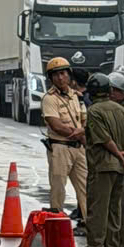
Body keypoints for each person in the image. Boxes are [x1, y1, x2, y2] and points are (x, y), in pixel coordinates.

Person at [82, 72, 124, 247]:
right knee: (115, 209)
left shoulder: (94, 111)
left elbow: (104, 139)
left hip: (103, 166)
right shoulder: (122, 110)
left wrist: (116, 154)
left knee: (98, 209)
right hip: (121, 168)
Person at [40, 58, 89, 228]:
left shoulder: (77, 97)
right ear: (51, 78)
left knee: (85, 189)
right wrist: (79, 134)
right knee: (58, 189)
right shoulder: (49, 99)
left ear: (69, 75)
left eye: (63, 73)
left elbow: (84, 120)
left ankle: (89, 226)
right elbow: (56, 125)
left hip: (79, 148)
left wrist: (82, 134)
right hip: (60, 148)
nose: (60, 78)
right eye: (56, 75)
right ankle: (56, 227)